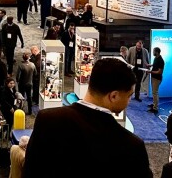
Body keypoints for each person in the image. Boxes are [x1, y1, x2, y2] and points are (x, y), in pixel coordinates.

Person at [23, 58, 152, 178]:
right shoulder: (132, 146)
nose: (129, 101)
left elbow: (30, 171)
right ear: (113, 96)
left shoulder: (47, 119)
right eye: (129, 96)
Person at [148, 46, 164, 113]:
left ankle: (155, 108)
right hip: (153, 77)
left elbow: (159, 72)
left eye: (153, 51)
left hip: (157, 79)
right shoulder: (156, 58)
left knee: (155, 92)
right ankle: (154, 104)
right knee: (154, 92)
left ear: (157, 52)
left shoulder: (161, 61)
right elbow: (155, 65)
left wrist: (150, 72)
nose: (153, 52)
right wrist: (150, 65)